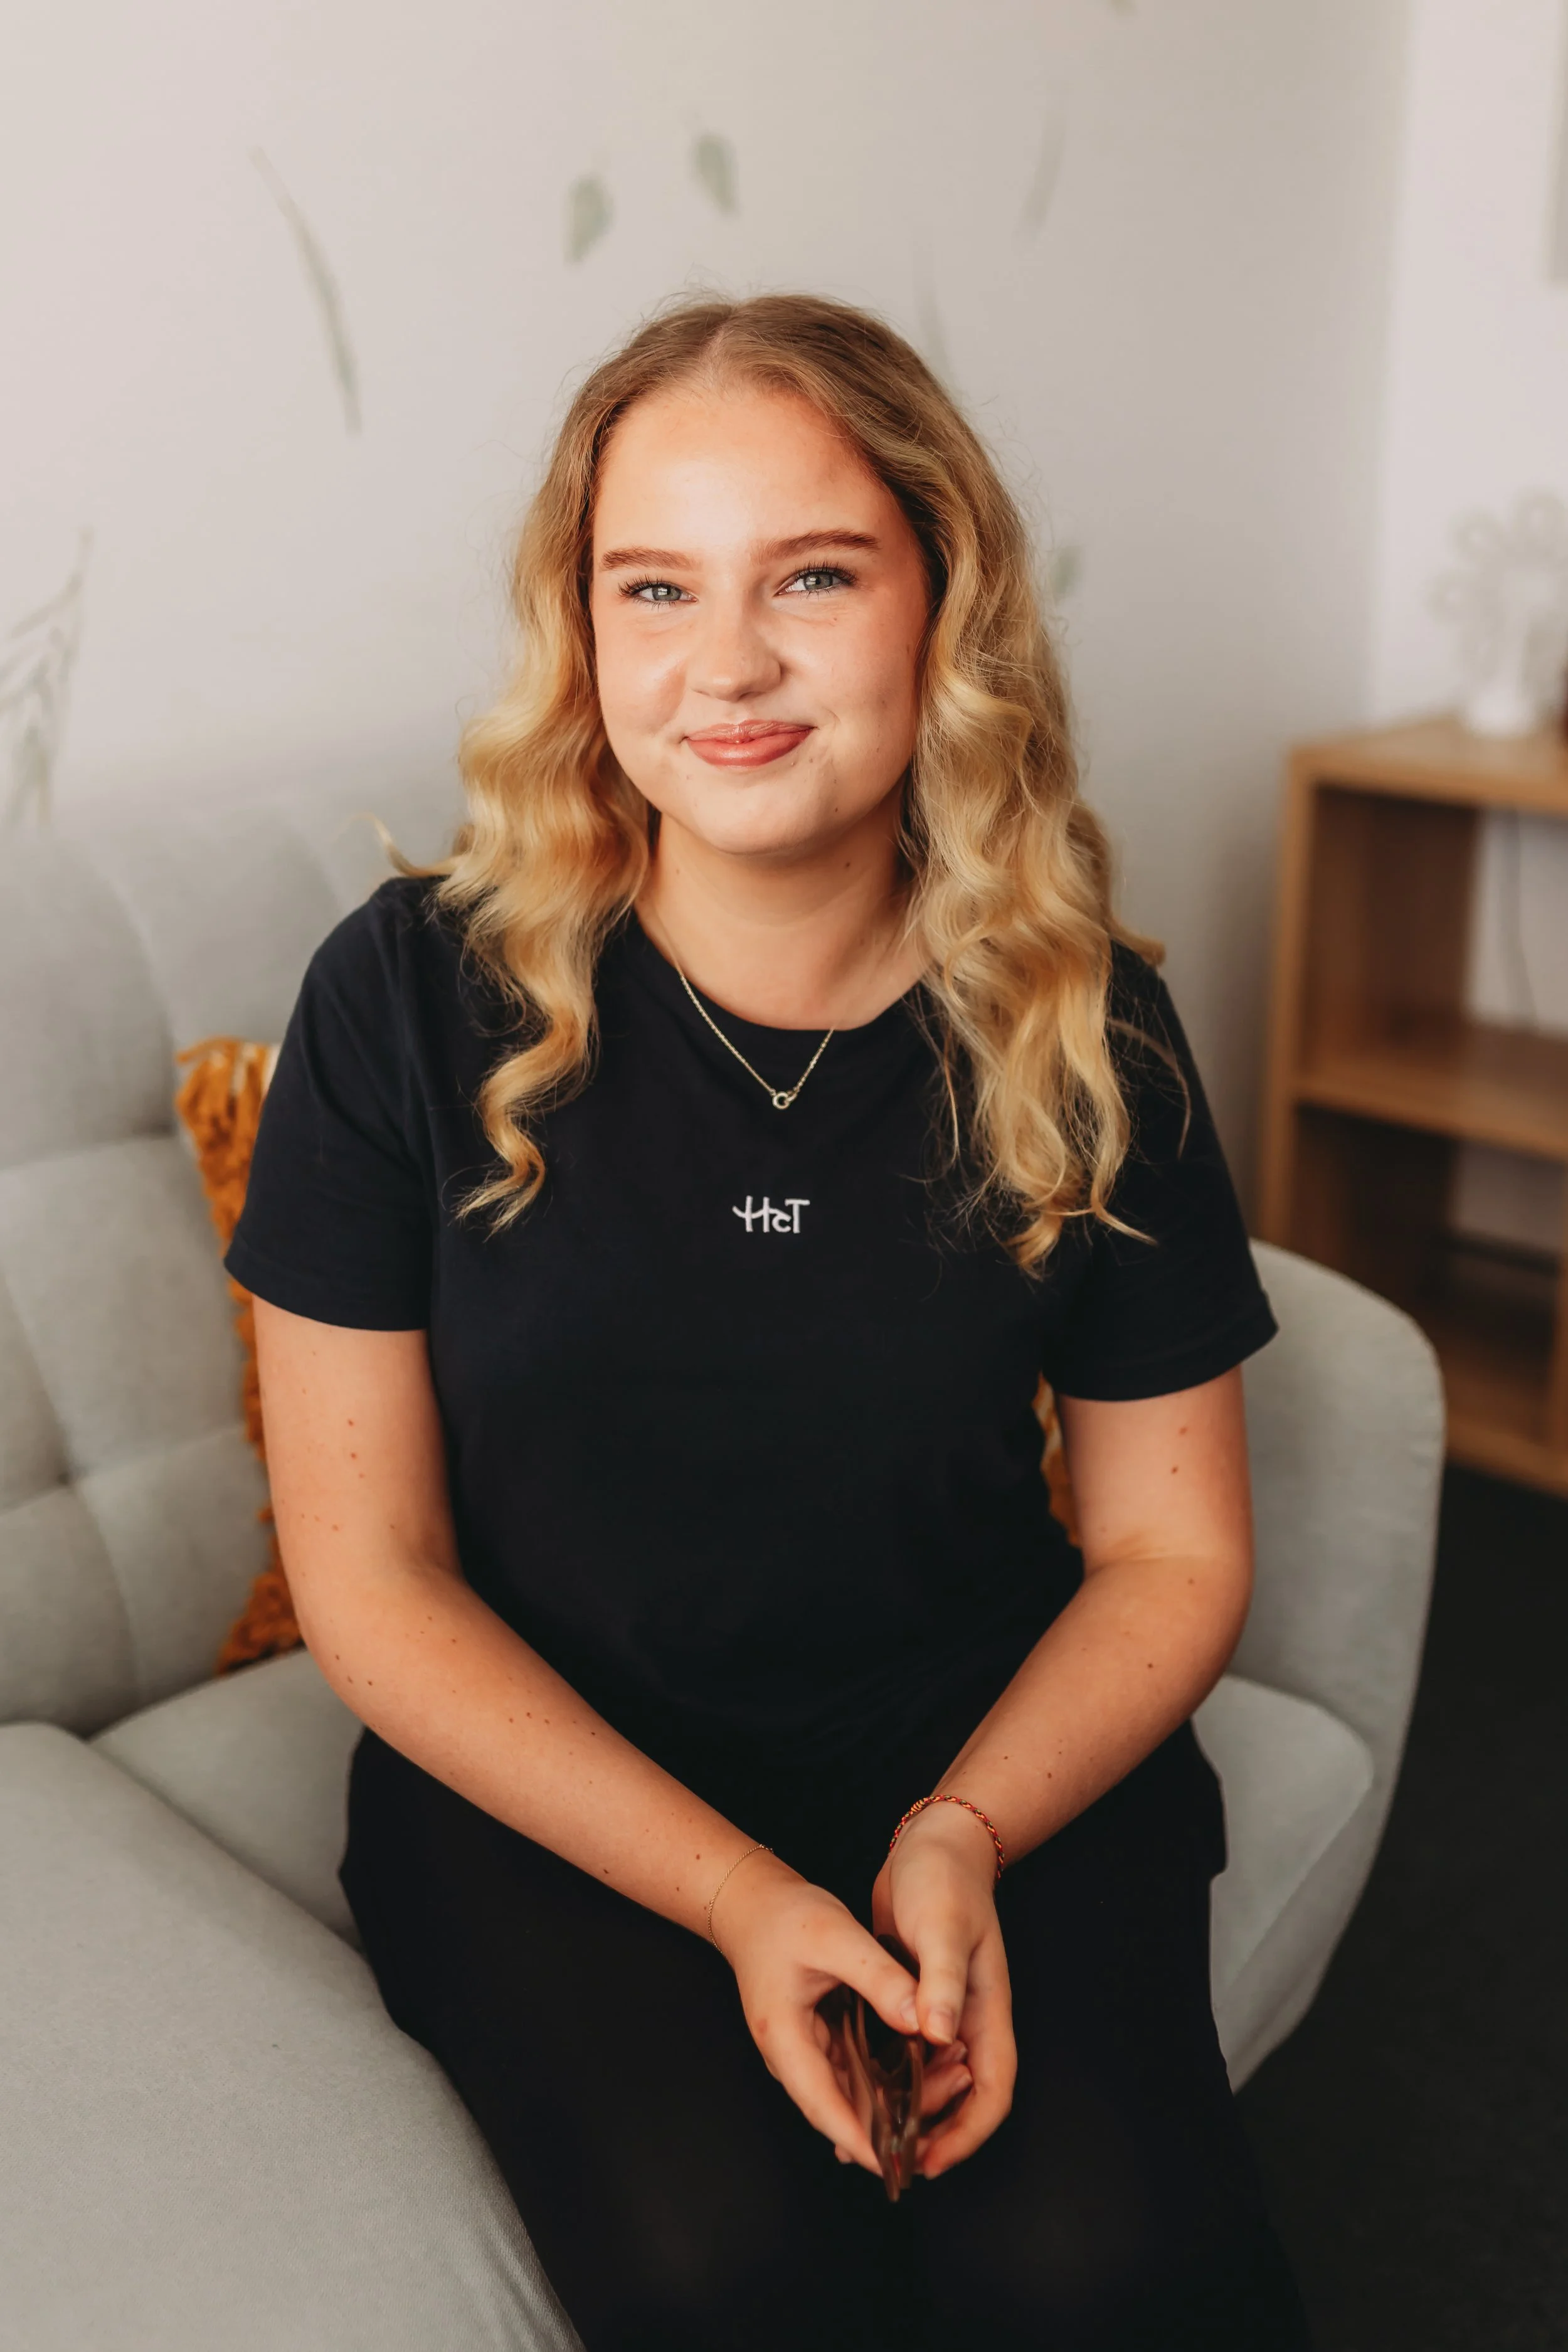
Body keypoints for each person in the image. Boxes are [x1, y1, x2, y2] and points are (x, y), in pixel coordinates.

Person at [228, 292, 1310, 2351]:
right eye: (653, 587)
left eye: (810, 575)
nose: (723, 665)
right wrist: (735, 1893)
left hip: (985, 1756)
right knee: (736, 2269)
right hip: (553, 1781)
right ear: (585, 630)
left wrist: (963, 1835)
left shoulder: (1092, 1023)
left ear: (941, 606)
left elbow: (1174, 1546)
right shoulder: (394, 1001)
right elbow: (367, 1574)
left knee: (1104, 2269)